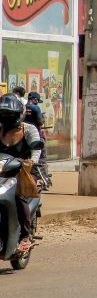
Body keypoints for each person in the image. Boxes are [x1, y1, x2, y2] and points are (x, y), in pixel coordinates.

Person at [0, 93, 41, 252]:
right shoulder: (1, 129)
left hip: (23, 172)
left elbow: (36, 148)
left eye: (10, 114)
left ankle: (25, 235)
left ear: (19, 114)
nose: (7, 117)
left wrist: (32, 160)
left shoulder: (28, 129)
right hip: (3, 171)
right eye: (4, 114)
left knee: (19, 197)